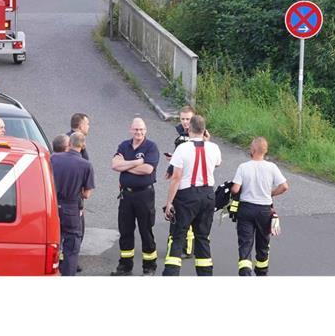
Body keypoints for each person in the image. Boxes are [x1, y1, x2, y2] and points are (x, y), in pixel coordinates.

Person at [161, 114, 221, 276]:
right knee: (202, 237)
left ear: (189, 128)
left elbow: (176, 178)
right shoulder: (214, 148)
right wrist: (207, 141)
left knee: (178, 236)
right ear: (204, 130)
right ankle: (205, 275)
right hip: (208, 195)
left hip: (187, 196)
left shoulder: (182, 148)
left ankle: (171, 275)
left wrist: (169, 203)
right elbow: (217, 163)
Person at [230, 137, 289, 276]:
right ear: (265, 151)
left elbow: (235, 189)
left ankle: (245, 273)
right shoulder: (272, 167)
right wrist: (271, 193)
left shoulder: (243, 167)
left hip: (246, 209)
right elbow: (284, 186)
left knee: (245, 243)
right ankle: (262, 272)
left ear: (253, 150)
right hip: (264, 210)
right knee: (263, 243)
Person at [110, 117, 161, 275]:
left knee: (146, 230)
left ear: (145, 130)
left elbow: (147, 170)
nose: (138, 132)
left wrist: (125, 165)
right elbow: (114, 165)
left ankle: (149, 267)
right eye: (136, 129)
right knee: (125, 230)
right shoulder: (124, 145)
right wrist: (137, 162)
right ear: (131, 130)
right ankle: (125, 266)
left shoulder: (151, 147)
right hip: (126, 195)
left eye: (141, 130)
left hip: (144, 195)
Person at [51, 132, 95, 276]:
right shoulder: (86, 165)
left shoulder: (53, 158)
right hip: (71, 209)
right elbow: (87, 194)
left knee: (52, 243)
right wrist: (77, 191)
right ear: (83, 145)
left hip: (52, 206)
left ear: (69, 144)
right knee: (71, 248)